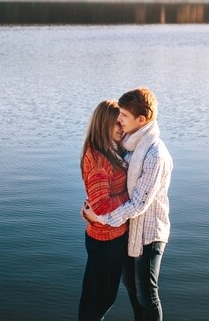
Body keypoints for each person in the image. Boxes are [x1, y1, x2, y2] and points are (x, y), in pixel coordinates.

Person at [83, 87, 173, 321]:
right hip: (128, 229)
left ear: (141, 120)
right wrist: (95, 200)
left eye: (123, 115)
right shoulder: (130, 144)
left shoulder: (154, 154)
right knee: (132, 291)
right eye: (119, 115)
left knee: (146, 294)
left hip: (149, 234)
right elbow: (109, 176)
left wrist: (99, 216)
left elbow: (138, 203)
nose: (120, 121)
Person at [79, 100, 132, 321]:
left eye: (122, 122)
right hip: (107, 240)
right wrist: (133, 195)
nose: (121, 127)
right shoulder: (100, 159)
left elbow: (97, 201)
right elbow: (101, 205)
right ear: (103, 125)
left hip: (100, 236)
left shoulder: (104, 149)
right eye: (117, 124)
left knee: (91, 296)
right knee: (103, 298)